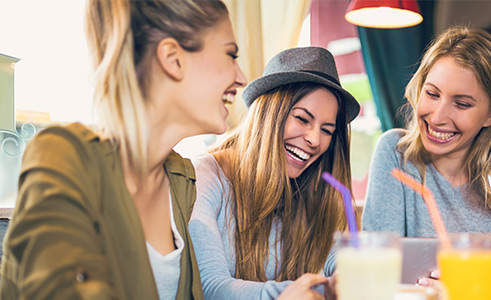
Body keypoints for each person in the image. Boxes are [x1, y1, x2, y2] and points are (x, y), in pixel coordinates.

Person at [0, 0, 246, 299]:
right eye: (230, 55)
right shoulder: (66, 157)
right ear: (173, 58)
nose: (242, 77)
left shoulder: (182, 180)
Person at [188, 46, 361, 300]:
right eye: (303, 119)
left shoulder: (317, 191)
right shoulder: (206, 175)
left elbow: (339, 260)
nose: (314, 139)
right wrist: (298, 293)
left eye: (327, 130)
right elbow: (210, 287)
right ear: (269, 114)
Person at [363, 25, 491, 238]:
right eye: (432, 94)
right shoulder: (395, 152)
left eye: (461, 104)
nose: (437, 118)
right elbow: (380, 257)